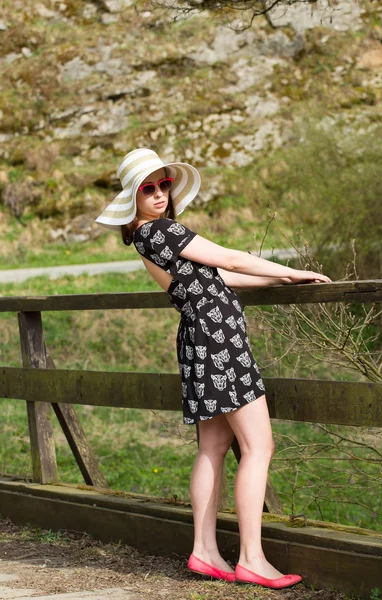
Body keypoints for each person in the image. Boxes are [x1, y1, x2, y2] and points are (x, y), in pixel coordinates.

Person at [95, 148, 332, 589]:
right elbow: (232, 259)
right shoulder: (162, 231)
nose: (160, 193)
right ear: (133, 196)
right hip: (218, 339)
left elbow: (219, 278)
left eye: (164, 184)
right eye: (149, 187)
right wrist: (294, 271)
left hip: (198, 337)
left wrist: (279, 278)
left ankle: (205, 551)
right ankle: (252, 559)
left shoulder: (145, 241)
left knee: (213, 447)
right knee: (259, 447)